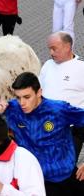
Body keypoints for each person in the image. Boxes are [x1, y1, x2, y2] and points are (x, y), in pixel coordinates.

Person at [0, 72, 84, 195]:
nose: (22, 103)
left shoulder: (58, 110)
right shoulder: (12, 109)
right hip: (35, 182)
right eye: (18, 97)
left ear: (39, 92)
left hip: (66, 178)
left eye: (27, 97)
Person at [39, 31, 84, 162]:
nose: (51, 53)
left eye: (54, 48)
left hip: (70, 130)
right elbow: (38, 91)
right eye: (49, 49)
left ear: (67, 47)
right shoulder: (47, 65)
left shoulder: (81, 67)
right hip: (45, 127)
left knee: (65, 169)